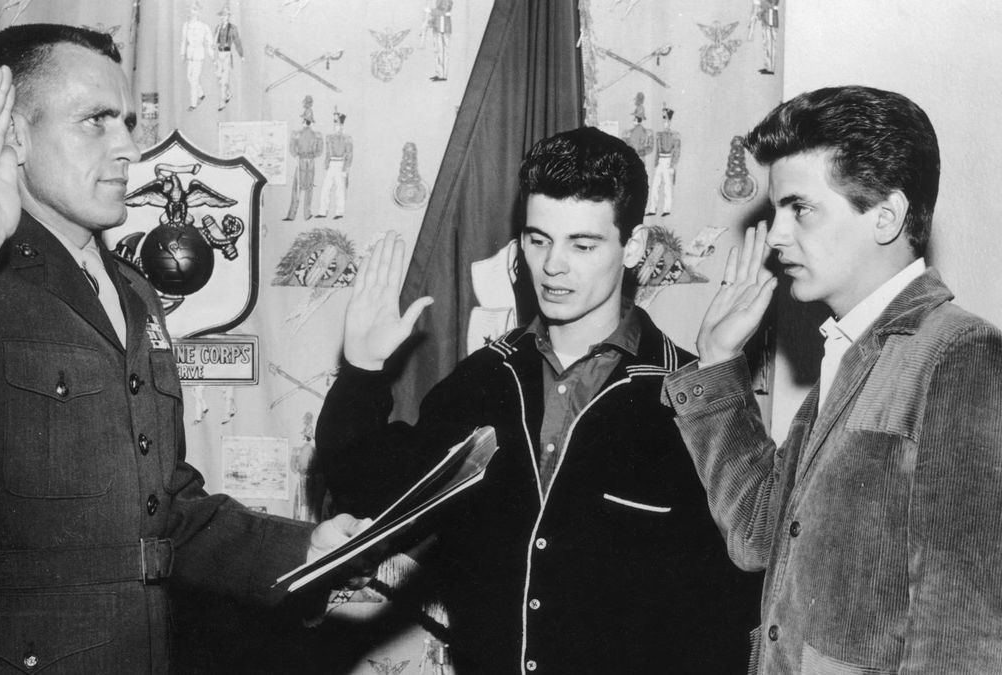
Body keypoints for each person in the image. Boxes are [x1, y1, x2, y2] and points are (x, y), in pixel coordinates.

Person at [0, 24, 364, 674]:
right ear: (12, 132)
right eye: (96, 121)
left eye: (126, 121)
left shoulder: (135, 292)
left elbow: (164, 508)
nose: (129, 146)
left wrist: (304, 549)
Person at [316, 127, 761, 673]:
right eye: (538, 239)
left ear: (635, 247)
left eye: (583, 244)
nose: (553, 266)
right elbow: (368, 490)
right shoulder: (483, 379)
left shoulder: (692, 395)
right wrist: (362, 370)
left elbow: (739, 588)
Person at [662, 85, 1002, 672]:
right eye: (775, 211)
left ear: (887, 216)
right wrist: (718, 359)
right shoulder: (848, 351)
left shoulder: (958, 353)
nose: (775, 234)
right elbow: (758, 537)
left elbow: (965, 631)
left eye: (801, 208)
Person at [284, 98, 322, 221]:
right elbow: (319, 151)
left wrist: (297, 154)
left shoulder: (297, 134)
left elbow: (292, 149)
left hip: (302, 161)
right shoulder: (316, 135)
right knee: (308, 187)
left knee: (299, 187)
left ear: (305, 121)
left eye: (304, 119)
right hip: (310, 161)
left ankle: (292, 215)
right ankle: (307, 214)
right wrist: (311, 155)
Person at [316, 111, 352, 219]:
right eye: (335, 123)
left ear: (342, 124)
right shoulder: (329, 137)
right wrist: (326, 166)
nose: (336, 125)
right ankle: (322, 212)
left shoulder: (347, 138)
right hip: (331, 164)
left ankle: (339, 212)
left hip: (341, 164)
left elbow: (349, 155)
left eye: (337, 123)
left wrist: (345, 169)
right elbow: (327, 153)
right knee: (325, 188)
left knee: (340, 190)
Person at [645, 105, 679, 216]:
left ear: (670, 121)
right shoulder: (659, 134)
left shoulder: (675, 135)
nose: (664, 122)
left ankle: (666, 209)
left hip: (668, 161)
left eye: (666, 119)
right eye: (663, 119)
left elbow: (677, 151)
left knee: (667, 187)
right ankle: (652, 209)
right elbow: (657, 151)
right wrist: (656, 162)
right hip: (660, 161)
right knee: (655, 186)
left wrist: (673, 165)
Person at [180, 1, 214, 110]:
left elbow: (210, 41)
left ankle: (193, 104)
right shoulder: (186, 25)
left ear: (199, 11)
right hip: (190, 54)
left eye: (196, 9)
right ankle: (201, 94)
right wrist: (182, 53)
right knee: (189, 77)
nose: (193, 11)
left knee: (194, 78)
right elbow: (183, 40)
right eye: (192, 9)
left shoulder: (203, 26)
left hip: (199, 53)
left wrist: (212, 55)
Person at [212, 6, 243, 111]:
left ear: (228, 16)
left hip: (227, 55)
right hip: (219, 54)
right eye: (221, 15)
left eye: (225, 15)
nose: (223, 17)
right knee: (219, 78)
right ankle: (228, 93)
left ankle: (222, 102)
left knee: (224, 80)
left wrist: (241, 55)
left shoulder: (233, 28)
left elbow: (237, 42)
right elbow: (214, 43)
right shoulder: (218, 28)